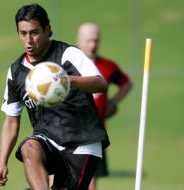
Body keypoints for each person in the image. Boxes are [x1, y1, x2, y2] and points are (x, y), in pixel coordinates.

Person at [0, 4, 110, 190]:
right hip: (48, 139)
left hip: (82, 139)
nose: (29, 40)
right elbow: (11, 121)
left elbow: (101, 84)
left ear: (48, 29)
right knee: (29, 148)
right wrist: (2, 161)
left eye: (34, 32)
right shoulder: (16, 71)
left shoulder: (66, 54)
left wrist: (65, 80)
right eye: (23, 33)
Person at [77, 23, 132, 190]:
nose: (92, 45)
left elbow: (126, 84)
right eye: (88, 41)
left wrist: (113, 102)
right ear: (79, 40)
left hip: (95, 132)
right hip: (69, 130)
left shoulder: (108, 66)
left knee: (91, 181)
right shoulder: (69, 63)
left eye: (96, 41)